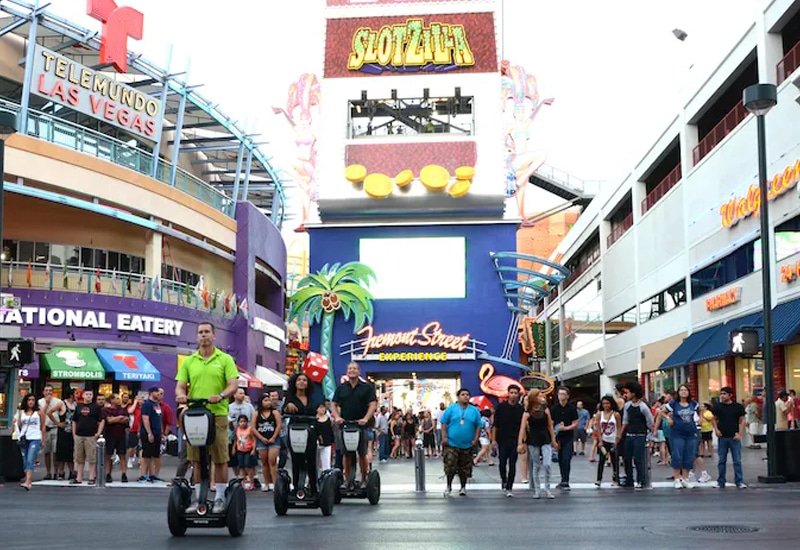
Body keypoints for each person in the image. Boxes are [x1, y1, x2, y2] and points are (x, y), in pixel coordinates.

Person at [175, 322, 238, 515]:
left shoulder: (225, 359)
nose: (203, 336)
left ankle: (219, 497)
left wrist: (220, 395)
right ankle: (198, 497)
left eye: (207, 332)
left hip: (217, 414)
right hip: (196, 414)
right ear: (196, 337)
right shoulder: (189, 361)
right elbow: (180, 385)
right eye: (200, 333)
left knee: (220, 458)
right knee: (197, 459)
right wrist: (180, 395)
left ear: (214, 335)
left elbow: (233, 385)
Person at [332, 362, 377, 488]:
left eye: (355, 368)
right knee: (346, 453)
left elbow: (373, 404)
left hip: (361, 425)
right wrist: (337, 417)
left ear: (359, 372)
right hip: (346, 425)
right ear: (347, 371)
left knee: (362, 453)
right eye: (350, 368)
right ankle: (347, 480)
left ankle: (363, 479)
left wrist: (366, 418)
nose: (352, 370)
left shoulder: (366, 387)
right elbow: (334, 403)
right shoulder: (342, 388)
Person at [439, 388, 482, 497]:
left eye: (467, 394)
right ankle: (449, 486)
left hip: (467, 444)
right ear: (458, 397)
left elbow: (479, 425)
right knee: (450, 465)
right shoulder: (451, 409)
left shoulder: (474, 410)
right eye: (463, 394)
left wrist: (476, 439)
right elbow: (443, 423)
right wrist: (444, 437)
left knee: (465, 467)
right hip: (452, 443)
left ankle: (463, 487)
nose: (465, 396)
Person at [517, 389, 556, 499]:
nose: (541, 398)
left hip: (545, 437)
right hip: (533, 438)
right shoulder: (527, 412)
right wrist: (520, 443)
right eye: (539, 396)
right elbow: (522, 428)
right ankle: (537, 489)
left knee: (547, 464)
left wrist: (553, 439)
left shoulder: (545, 410)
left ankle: (547, 488)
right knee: (536, 464)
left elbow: (550, 425)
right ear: (534, 398)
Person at [282, 372, 317, 492]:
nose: (302, 382)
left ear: (308, 384)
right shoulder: (290, 398)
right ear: (294, 383)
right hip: (295, 431)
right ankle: (297, 487)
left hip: (310, 431)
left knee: (311, 460)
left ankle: (313, 487)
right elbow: (284, 409)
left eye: (304, 380)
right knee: (296, 459)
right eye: (299, 380)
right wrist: (289, 406)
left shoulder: (311, 398)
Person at [711, 386, 747, 489]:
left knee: (737, 461)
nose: (722, 396)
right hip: (722, 437)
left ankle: (739, 481)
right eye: (721, 394)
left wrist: (740, 434)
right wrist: (716, 430)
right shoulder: (718, 407)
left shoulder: (738, 407)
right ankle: (721, 481)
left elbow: (742, 420)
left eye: (724, 394)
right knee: (721, 460)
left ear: (730, 395)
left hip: (734, 436)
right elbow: (713, 419)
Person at [620, 381, 653, 490]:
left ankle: (641, 480)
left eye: (628, 392)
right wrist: (621, 434)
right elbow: (625, 420)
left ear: (634, 393)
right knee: (627, 458)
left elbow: (649, 421)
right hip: (629, 434)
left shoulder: (643, 407)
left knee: (639, 458)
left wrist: (650, 433)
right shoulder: (627, 405)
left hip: (640, 434)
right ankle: (629, 479)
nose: (626, 394)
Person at [492, 384, 524, 497]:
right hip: (502, 439)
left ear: (518, 394)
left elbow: (523, 426)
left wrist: (522, 441)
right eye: (511, 393)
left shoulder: (520, 409)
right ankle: (504, 480)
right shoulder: (501, 407)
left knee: (512, 464)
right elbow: (495, 425)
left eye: (515, 393)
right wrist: (493, 440)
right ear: (508, 393)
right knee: (502, 463)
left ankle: (509, 486)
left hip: (515, 440)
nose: (513, 395)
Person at [665, 384, 699, 489]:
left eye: (685, 390)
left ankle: (685, 478)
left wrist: (700, 419)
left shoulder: (693, 403)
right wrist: (668, 418)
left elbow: (700, 410)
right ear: (678, 392)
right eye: (681, 390)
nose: (684, 392)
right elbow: (661, 412)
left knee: (689, 456)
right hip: (677, 433)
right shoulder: (674, 404)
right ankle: (677, 478)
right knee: (677, 455)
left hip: (691, 433)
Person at [71, 389, 104, 485]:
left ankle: (91, 477)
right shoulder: (79, 406)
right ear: (83, 396)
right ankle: (79, 478)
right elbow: (74, 421)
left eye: (90, 394)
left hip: (91, 435)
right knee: (79, 458)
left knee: (91, 457)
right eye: (87, 394)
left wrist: (98, 432)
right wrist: (74, 433)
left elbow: (101, 420)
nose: (89, 396)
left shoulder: (96, 407)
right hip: (79, 435)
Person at [550, 386, 579, 490]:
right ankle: (563, 479)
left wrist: (566, 428)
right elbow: (551, 423)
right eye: (559, 394)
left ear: (567, 396)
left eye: (563, 394)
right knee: (560, 459)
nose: (561, 396)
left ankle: (566, 480)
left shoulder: (571, 408)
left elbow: (575, 423)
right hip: (558, 437)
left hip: (568, 436)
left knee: (567, 458)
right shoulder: (554, 408)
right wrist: (552, 437)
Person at [15, 393, 45, 490]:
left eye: (32, 400)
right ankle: (28, 480)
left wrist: (43, 439)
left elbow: (43, 426)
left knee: (30, 459)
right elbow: (19, 425)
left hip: (35, 437)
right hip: (25, 438)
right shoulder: (22, 412)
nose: (31, 402)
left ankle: (27, 481)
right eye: (29, 400)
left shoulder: (39, 412)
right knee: (25, 460)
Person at [254, 394, 282, 492]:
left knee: (272, 461)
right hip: (261, 440)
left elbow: (279, 426)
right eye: (265, 400)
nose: (268, 402)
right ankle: (266, 484)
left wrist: (274, 437)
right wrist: (261, 438)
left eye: (269, 400)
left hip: (274, 439)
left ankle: (275, 484)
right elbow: (253, 428)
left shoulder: (275, 412)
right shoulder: (256, 413)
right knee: (264, 462)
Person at [228, 388, 255, 480]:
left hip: (248, 436)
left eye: (243, 393)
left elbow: (253, 419)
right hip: (235, 435)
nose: (242, 395)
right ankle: (238, 476)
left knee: (250, 459)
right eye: (240, 393)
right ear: (234, 395)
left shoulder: (249, 406)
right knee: (235, 458)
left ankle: (252, 477)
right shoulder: (230, 407)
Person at [102, 393, 130, 483]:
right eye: (117, 398)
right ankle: (107, 474)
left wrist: (114, 419)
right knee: (108, 455)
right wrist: (119, 418)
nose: (119, 400)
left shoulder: (122, 409)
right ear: (112, 400)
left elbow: (126, 419)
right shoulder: (106, 410)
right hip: (109, 435)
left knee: (122, 455)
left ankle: (124, 474)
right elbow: (109, 421)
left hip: (121, 435)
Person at [37, 385, 62, 481]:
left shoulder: (58, 401)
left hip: (55, 428)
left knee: (55, 451)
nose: (48, 392)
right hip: (45, 428)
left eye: (50, 390)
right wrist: (47, 403)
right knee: (47, 452)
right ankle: (48, 472)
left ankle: (56, 472)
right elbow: (41, 413)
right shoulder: (40, 402)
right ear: (43, 392)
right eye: (46, 390)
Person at [139, 387, 164, 483]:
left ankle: (152, 474)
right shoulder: (147, 404)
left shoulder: (157, 405)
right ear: (151, 393)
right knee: (146, 455)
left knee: (154, 454)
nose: (159, 394)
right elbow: (145, 419)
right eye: (157, 392)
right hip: (148, 433)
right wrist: (149, 433)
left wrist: (160, 432)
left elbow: (158, 419)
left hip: (157, 432)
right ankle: (143, 475)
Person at [595, 395, 621, 487]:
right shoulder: (599, 414)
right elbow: (598, 428)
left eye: (607, 403)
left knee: (615, 461)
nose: (606, 405)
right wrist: (600, 440)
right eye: (604, 403)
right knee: (601, 460)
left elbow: (619, 428)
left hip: (613, 440)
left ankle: (615, 478)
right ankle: (599, 479)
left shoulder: (616, 414)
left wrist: (617, 440)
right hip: (604, 439)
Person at [55, 387, 77, 481]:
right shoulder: (62, 403)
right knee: (62, 452)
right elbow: (49, 412)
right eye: (76, 394)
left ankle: (72, 471)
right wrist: (57, 423)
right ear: (71, 395)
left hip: (72, 431)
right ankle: (61, 471)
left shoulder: (75, 404)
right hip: (63, 431)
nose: (77, 396)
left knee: (71, 452)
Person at [234, 415, 257, 490]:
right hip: (240, 450)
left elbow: (254, 439)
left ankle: (251, 482)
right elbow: (236, 439)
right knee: (241, 467)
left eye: (244, 421)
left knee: (248, 466)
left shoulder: (250, 429)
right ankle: (242, 482)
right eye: (241, 422)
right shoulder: (237, 429)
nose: (242, 423)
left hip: (248, 450)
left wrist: (254, 449)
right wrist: (234, 448)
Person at [316, 402, 334, 472]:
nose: (322, 409)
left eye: (323, 407)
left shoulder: (329, 419)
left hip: (327, 443)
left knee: (326, 462)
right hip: (316, 443)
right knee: (315, 462)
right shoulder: (314, 419)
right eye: (320, 407)